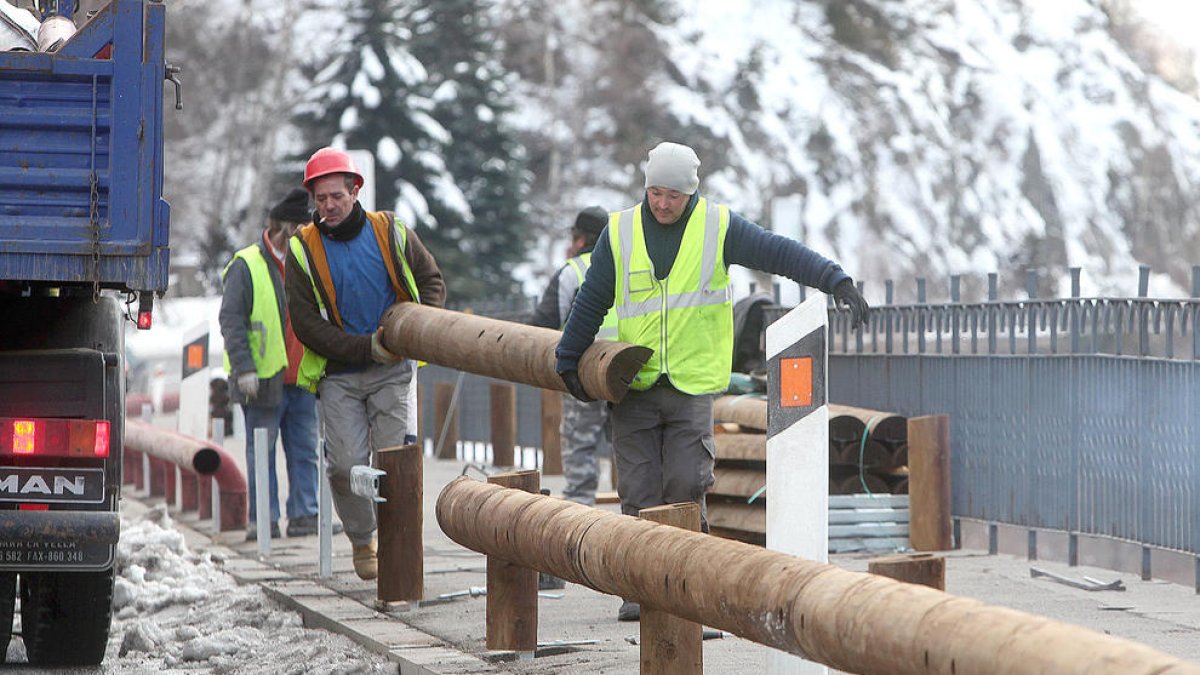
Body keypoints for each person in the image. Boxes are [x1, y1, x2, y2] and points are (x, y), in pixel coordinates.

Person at [554, 141, 869, 621]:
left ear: (691, 193)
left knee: (686, 486)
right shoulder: (618, 232)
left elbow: (776, 251)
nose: (662, 204)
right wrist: (568, 358)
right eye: (655, 193)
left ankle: (687, 596)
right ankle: (638, 591)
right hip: (633, 386)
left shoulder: (717, 227)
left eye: (673, 196)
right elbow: (593, 297)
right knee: (638, 491)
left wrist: (835, 280)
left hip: (690, 388)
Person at [286, 147, 446, 581]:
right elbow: (305, 325)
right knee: (344, 465)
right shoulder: (303, 249)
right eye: (321, 199)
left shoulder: (390, 232)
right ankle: (362, 538)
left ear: (356, 191)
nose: (329, 206)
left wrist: (416, 329)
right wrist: (364, 348)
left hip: (393, 370)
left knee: (394, 464)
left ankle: (396, 550)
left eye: (336, 196)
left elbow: (432, 282)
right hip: (339, 374)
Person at [219, 188, 321, 541]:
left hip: (303, 378)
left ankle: (305, 515)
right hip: (262, 380)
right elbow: (231, 321)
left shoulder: (308, 261)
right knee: (261, 455)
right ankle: (264, 521)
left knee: (305, 451)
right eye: (303, 229)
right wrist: (244, 368)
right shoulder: (247, 264)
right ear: (288, 229)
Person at [528, 206, 615, 591]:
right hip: (630, 372)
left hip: (583, 378)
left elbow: (541, 326)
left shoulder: (573, 271)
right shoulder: (628, 263)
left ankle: (575, 553)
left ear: (579, 239)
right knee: (631, 464)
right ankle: (624, 550)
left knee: (580, 467)